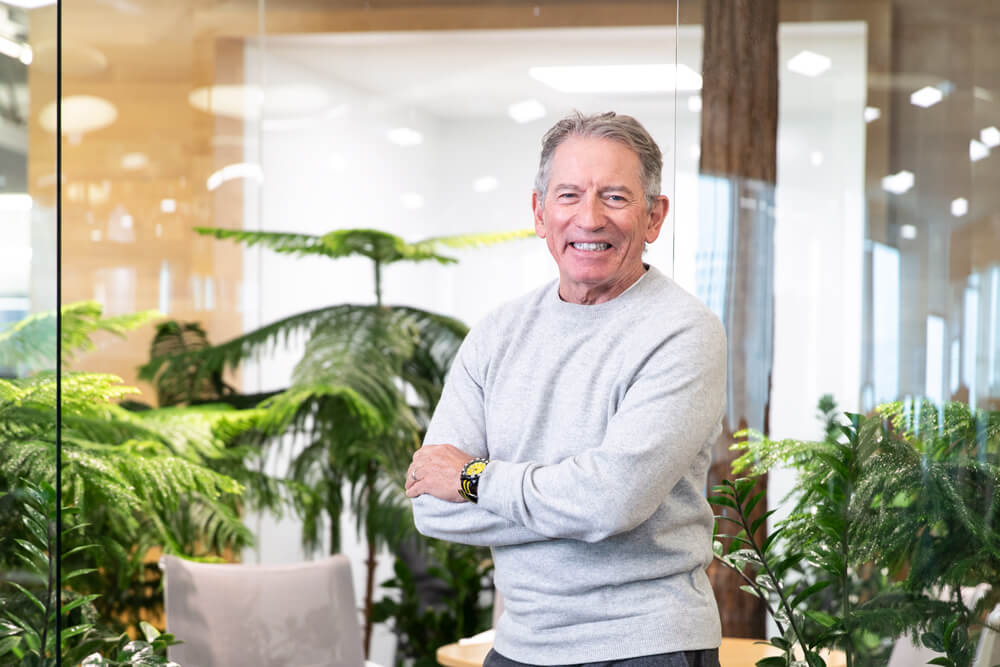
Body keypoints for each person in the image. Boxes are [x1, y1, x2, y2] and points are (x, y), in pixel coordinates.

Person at [405, 111, 726, 667]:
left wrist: (473, 479)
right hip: (518, 646)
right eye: (569, 195)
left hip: (647, 647)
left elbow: (609, 502)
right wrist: (574, 502)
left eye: (615, 198)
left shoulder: (682, 331)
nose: (590, 218)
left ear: (654, 217)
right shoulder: (498, 333)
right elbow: (432, 506)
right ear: (539, 212)